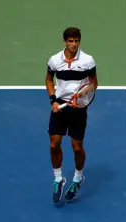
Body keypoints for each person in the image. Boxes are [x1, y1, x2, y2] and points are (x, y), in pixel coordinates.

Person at [45, 27, 98, 203]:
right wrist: (53, 100)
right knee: (54, 144)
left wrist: (83, 94)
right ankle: (58, 178)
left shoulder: (88, 61)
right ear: (64, 42)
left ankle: (77, 178)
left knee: (76, 147)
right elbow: (48, 79)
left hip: (78, 108)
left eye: (76, 41)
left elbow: (94, 83)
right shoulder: (54, 60)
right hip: (60, 105)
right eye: (70, 41)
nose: (74, 44)